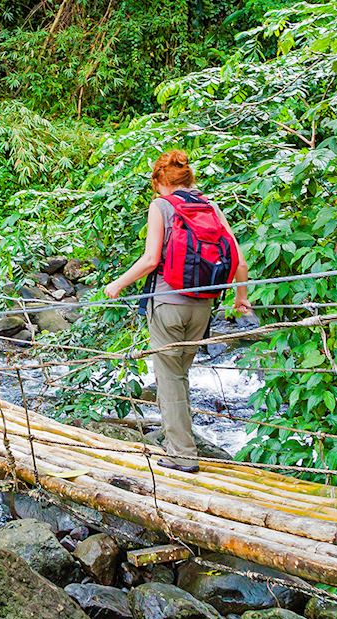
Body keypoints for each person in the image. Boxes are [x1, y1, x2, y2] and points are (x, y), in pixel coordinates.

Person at [101, 150, 250, 472]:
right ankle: (183, 444)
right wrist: (241, 297)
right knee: (180, 375)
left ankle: (182, 455)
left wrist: (117, 284)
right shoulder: (209, 206)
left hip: (168, 304)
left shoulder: (162, 206)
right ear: (189, 179)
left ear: (159, 181)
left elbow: (151, 259)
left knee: (168, 378)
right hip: (204, 306)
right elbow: (236, 255)